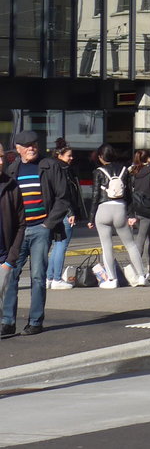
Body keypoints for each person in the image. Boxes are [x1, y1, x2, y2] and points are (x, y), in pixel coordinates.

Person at [1, 130, 71, 336]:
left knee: (38, 277)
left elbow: (63, 197)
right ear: (19, 149)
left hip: (41, 229)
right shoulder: (12, 170)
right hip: (18, 232)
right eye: (27, 145)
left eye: (34, 144)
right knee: (10, 275)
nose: (32, 148)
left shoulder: (50, 166)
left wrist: (48, 225)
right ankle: (7, 321)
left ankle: (35, 321)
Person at [87, 144, 147, 288]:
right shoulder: (124, 171)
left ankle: (112, 280)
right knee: (130, 245)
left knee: (107, 246)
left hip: (103, 209)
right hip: (120, 208)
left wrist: (90, 218)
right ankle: (141, 276)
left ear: (101, 157)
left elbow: (95, 196)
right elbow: (129, 195)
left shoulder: (98, 172)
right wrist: (131, 214)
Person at [46, 139, 85, 290]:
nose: (71, 158)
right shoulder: (65, 170)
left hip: (54, 212)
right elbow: (65, 194)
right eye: (69, 155)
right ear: (60, 155)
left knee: (56, 246)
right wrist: (71, 212)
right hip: (64, 212)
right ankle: (56, 278)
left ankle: (49, 277)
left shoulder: (52, 168)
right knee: (62, 244)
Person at [129, 149, 150, 277]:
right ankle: (136, 271)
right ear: (148, 159)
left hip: (134, 208)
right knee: (141, 239)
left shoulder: (133, 172)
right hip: (146, 209)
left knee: (148, 236)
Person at [0, 163, 25, 313]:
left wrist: (10, 260)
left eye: (1, 156)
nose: (1, 161)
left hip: (3, 260)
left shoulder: (12, 186)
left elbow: (21, 225)